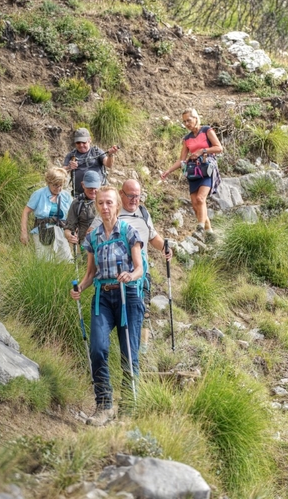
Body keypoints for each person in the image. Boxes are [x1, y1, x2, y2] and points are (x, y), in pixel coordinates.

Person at [70, 186, 144, 426]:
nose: (105, 207)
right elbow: (91, 273)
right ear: (96, 206)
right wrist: (80, 287)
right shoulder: (93, 237)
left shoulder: (129, 232)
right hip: (102, 296)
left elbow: (139, 267)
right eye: (101, 203)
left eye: (109, 203)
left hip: (128, 296)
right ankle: (104, 405)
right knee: (98, 349)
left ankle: (129, 409)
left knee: (128, 353)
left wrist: (130, 276)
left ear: (117, 205)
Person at [90, 179, 173, 353]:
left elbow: (153, 237)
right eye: (130, 196)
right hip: (115, 275)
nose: (135, 200)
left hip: (141, 272)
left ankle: (141, 350)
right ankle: (123, 348)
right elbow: (93, 238)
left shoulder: (143, 212)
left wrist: (165, 248)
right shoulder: (110, 213)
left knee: (144, 311)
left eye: (138, 196)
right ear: (121, 194)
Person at [161, 108, 222, 241]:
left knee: (201, 199)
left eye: (189, 120)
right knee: (195, 204)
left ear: (196, 118)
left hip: (207, 169)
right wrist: (168, 171)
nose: (187, 124)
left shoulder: (207, 130)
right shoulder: (187, 139)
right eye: (184, 122)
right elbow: (182, 160)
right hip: (194, 172)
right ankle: (209, 231)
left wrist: (202, 151)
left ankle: (199, 227)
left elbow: (219, 148)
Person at [20, 167, 73, 262]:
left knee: (66, 262)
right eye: (56, 185)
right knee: (44, 262)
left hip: (61, 233)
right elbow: (26, 212)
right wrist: (24, 233)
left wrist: (73, 231)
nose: (59, 188)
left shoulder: (66, 196)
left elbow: (73, 215)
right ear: (49, 182)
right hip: (42, 232)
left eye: (61, 185)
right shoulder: (39, 194)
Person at [63, 127, 119, 195]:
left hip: (98, 194)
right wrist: (69, 167)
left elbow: (108, 164)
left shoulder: (97, 152)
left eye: (84, 142)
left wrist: (110, 155)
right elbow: (61, 173)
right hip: (79, 195)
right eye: (78, 142)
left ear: (89, 140)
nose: (81, 145)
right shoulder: (71, 155)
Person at [64, 170, 101, 246]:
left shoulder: (108, 201)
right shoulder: (77, 203)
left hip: (106, 244)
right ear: (83, 185)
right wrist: (69, 236)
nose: (93, 191)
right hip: (86, 245)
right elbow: (69, 227)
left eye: (95, 187)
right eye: (90, 187)